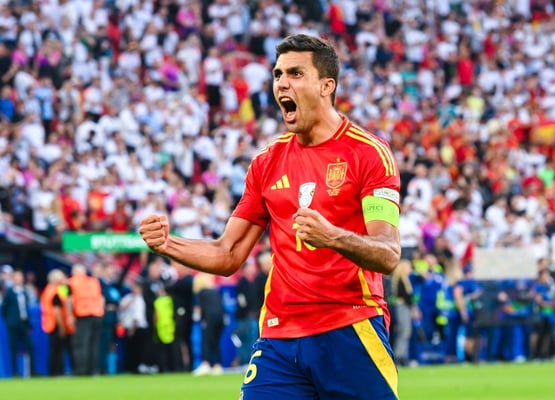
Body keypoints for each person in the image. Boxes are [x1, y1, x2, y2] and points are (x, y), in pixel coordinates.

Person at [140, 34, 401, 399]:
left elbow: (388, 253)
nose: (282, 83)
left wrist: (332, 236)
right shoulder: (267, 162)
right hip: (280, 337)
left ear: (327, 86)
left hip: (350, 328)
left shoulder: (368, 153)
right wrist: (167, 244)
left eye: (295, 73)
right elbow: (228, 254)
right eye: (278, 74)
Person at [67, 263, 105, 375]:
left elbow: (69, 300)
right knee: (94, 344)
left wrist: (70, 315)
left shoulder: (71, 282)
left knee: (81, 343)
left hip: (82, 315)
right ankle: (93, 370)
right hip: (97, 314)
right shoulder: (94, 281)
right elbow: (101, 298)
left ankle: (81, 370)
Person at [1, 269, 37, 377]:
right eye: (17, 277)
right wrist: (10, 320)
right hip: (13, 324)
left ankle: (33, 371)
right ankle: (15, 372)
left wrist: (28, 322)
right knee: (13, 348)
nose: (19, 279)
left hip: (24, 323)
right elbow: (4, 309)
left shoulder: (25, 291)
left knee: (30, 347)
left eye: (21, 277)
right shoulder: (9, 293)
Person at [40, 269, 74, 376]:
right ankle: (57, 372)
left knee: (56, 349)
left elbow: (67, 297)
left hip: (50, 323)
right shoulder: (54, 292)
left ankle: (55, 371)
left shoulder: (52, 289)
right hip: (55, 323)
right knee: (57, 349)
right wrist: (62, 326)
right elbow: (57, 311)